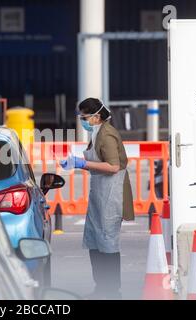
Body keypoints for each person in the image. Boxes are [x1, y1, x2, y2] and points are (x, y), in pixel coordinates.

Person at [60, 98, 134, 300]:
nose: (82, 120)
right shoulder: (97, 133)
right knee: (95, 241)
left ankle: (111, 290)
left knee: (108, 242)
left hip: (112, 194)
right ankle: (101, 288)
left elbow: (113, 167)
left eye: (84, 117)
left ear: (96, 116)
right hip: (100, 193)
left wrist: (82, 164)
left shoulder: (107, 135)